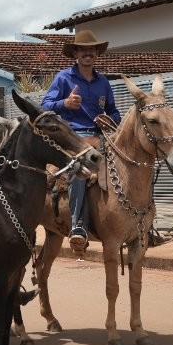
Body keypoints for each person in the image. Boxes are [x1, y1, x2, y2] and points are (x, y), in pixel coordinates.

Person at [41, 30, 121, 256]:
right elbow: (44, 105)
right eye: (83, 50)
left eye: (92, 50)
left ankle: (140, 223)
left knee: (133, 164)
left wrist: (109, 119)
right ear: (75, 53)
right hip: (72, 136)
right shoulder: (63, 78)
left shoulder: (103, 81)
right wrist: (65, 103)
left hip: (101, 136)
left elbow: (114, 112)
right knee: (79, 169)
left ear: (97, 53)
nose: (88, 53)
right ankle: (78, 225)